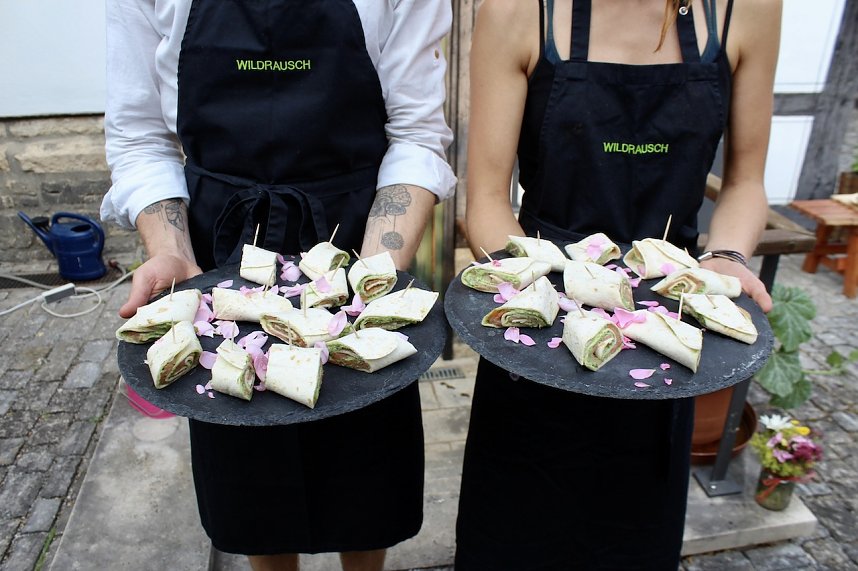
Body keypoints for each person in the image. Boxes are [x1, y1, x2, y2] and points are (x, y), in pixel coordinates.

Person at [101, 1, 456, 570]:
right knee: (252, 492)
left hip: (357, 241)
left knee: (365, 477)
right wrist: (171, 252)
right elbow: (141, 137)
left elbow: (416, 132)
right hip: (218, 257)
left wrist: (373, 276)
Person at [456, 0, 778, 568]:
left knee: (633, 538)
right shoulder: (514, 11)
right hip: (545, 307)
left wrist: (725, 258)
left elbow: (746, 182)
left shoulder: (745, 10)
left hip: (665, 319)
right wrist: (537, 290)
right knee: (514, 535)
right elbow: (485, 199)